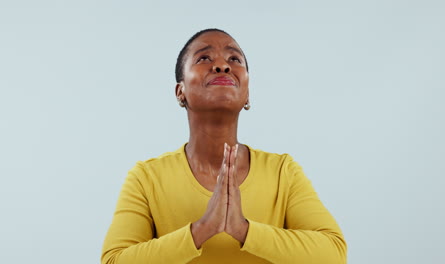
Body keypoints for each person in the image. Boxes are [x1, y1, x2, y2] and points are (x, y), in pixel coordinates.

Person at [101, 28, 347, 264]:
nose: (222, 65)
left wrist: (243, 230)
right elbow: (114, 260)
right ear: (180, 91)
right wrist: (201, 230)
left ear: (247, 93)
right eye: (204, 58)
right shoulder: (147, 178)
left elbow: (334, 254)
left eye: (234, 58)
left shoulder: (283, 171)